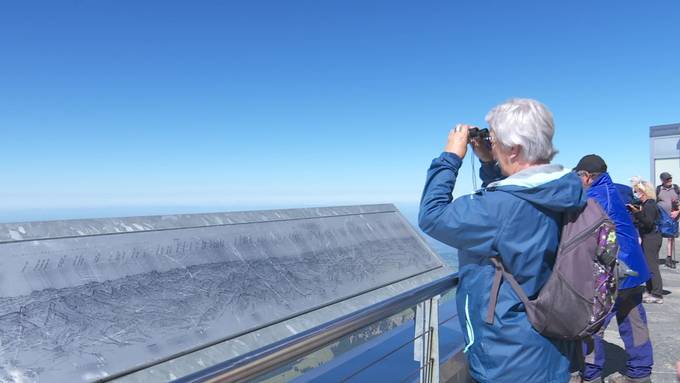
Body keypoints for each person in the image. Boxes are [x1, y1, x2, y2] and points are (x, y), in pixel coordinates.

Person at [419, 98, 584, 383]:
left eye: (494, 141)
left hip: (508, 356)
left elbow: (432, 215)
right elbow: (515, 193)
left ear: (514, 148)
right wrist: (488, 160)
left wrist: (450, 156)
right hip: (550, 342)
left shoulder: (502, 207)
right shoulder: (562, 189)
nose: (491, 146)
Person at [573, 154, 653, 383]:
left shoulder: (593, 198)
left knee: (593, 327)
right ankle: (641, 373)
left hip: (612, 272)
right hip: (634, 270)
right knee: (634, 322)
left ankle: (591, 376)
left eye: (578, 176)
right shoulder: (616, 190)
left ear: (586, 176)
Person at [629, 179, 664, 304]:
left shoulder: (649, 205)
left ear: (644, 192)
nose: (636, 194)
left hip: (651, 237)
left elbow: (648, 223)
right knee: (648, 264)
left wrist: (636, 213)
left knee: (651, 265)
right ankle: (650, 290)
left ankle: (657, 294)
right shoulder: (647, 204)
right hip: (650, 236)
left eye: (637, 191)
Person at [656, 172, 680, 268]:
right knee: (658, 237)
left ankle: (669, 259)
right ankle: (655, 258)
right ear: (662, 181)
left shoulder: (676, 189)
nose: (669, 180)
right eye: (667, 179)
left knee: (671, 238)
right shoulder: (658, 189)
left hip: (673, 217)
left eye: (670, 178)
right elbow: (654, 202)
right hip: (661, 218)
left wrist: (678, 212)